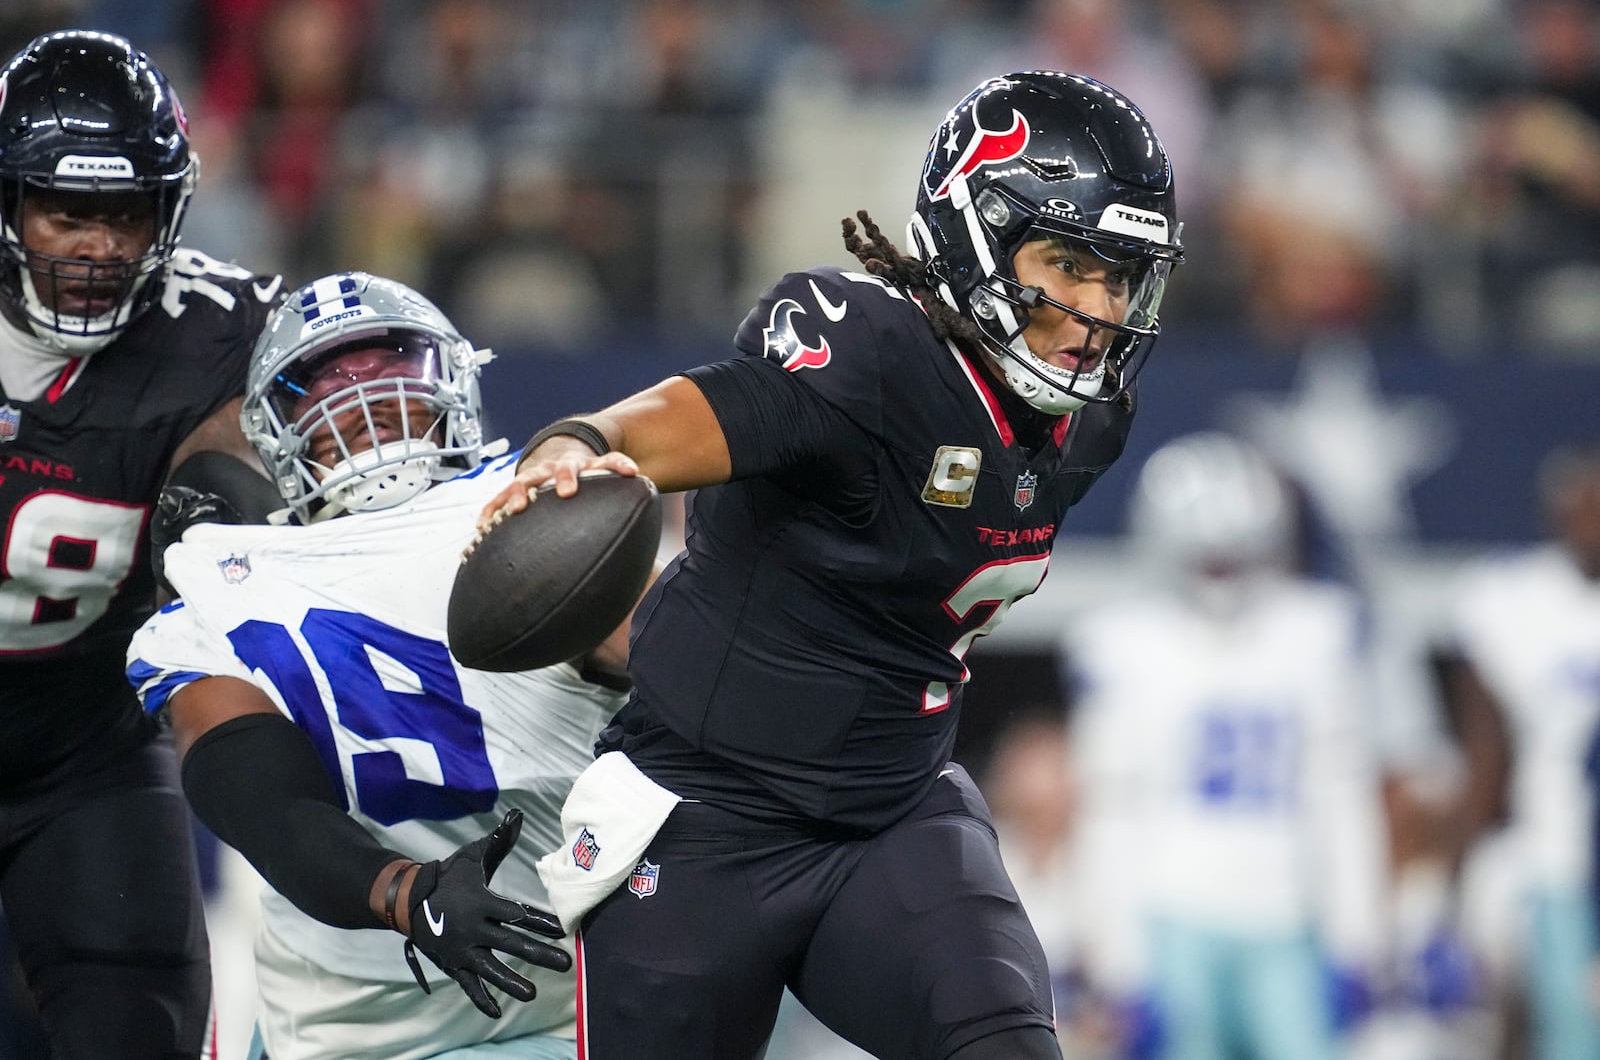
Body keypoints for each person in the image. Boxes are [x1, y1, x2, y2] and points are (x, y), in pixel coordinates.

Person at [482, 70, 1185, 1059]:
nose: (1095, 308)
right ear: (973, 236)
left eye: (1118, 275)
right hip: (701, 815)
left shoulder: (1091, 418)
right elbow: (688, 419)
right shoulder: (868, 350)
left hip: (889, 815)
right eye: (1067, 262)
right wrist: (577, 444)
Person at [127, 271, 642, 1060]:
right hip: (348, 1002)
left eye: (389, 363)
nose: (360, 397)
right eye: (326, 379)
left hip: (570, 980)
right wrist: (405, 890)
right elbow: (259, 800)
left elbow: (678, 666)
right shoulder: (227, 568)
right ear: (274, 431)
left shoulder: (536, 502)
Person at [0, 29, 285, 1059]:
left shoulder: (217, 336)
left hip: (86, 746)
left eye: (123, 216)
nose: (97, 247)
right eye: (66, 211)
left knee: (142, 1025)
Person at [1062, 431, 1390, 1060]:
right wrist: (1118, 959)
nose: (1218, 567)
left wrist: (1358, 938)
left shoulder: (1313, 633)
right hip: (1173, 909)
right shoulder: (1125, 645)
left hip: (1288, 910)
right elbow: (1111, 812)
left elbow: (1341, 795)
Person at [1442, 442, 1600, 1060]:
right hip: (1548, 855)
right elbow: (1487, 757)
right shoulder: (1512, 600)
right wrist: (1456, 882)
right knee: (1538, 1024)